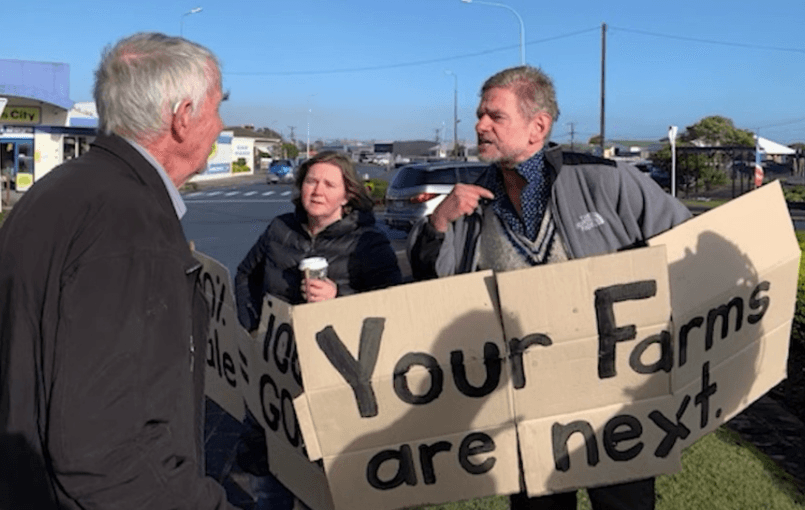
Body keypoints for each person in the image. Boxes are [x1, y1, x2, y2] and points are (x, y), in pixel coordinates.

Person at [408, 66, 692, 510]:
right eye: (479, 115)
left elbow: (685, 242)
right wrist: (440, 222)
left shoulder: (605, 179)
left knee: (625, 504)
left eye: (494, 116)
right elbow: (432, 285)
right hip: (523, 402)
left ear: (538, 126)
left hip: (614, 397)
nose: (480, 125)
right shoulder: (472, 200)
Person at [0, 33, 235, 509]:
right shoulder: (129, 224)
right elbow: (106, 454)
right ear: (183, 117)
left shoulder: (61, 189)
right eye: (216, 106)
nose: (221, 124)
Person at [232, 150, 402, 507]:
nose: (317, 190)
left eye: (329, 184)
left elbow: (392, 305)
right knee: (271, 474)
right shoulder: (279, 228)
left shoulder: (368, 243)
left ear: (348, 194)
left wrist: (339, 296)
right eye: (311, 181)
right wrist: (252, 329)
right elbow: (246, 274)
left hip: (333, 376)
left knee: (325, 479)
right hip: (277, 372)